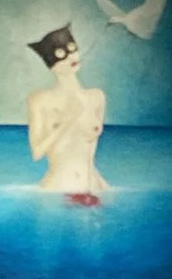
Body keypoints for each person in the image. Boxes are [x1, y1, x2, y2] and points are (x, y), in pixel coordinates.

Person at [25, 23, 110, 200]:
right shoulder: (40, 100)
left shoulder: (96, 97)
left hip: (94, 189)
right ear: (51, 64)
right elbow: (37, 152)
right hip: (57, 192)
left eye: (73, 49)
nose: (71, 56)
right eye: (61, 54)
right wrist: (67, 119)